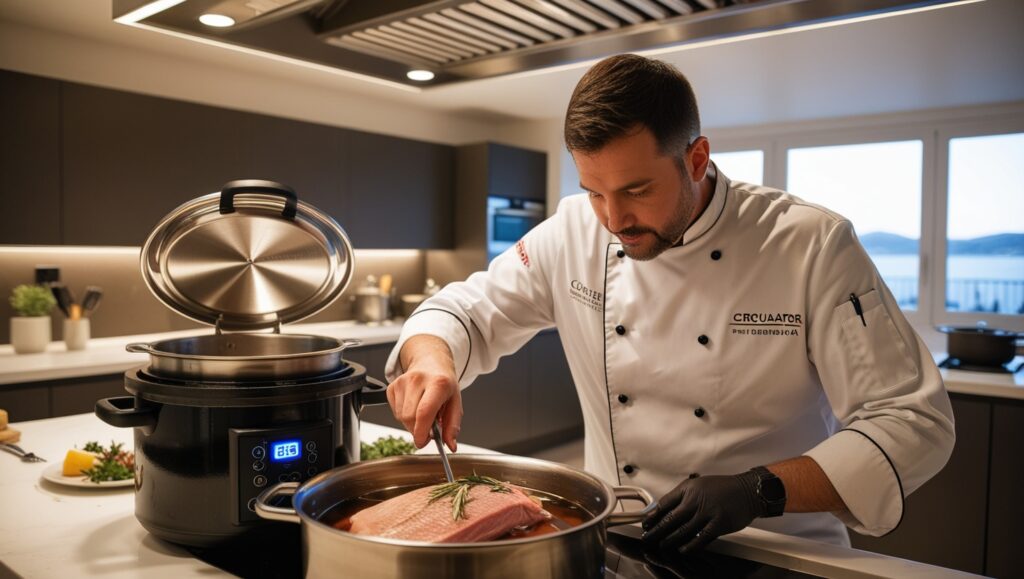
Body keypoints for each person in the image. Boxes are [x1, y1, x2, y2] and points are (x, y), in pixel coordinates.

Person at [383, 53, 955, 552]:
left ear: (697, 159)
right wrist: (433, 360)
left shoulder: (810, 244)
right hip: (618, 536)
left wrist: (760, 489)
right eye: (595, 193)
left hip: (776, 549)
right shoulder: (575, 231)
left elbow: (911, 420)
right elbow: (467, 310)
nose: (614, 220)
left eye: (637, 190)